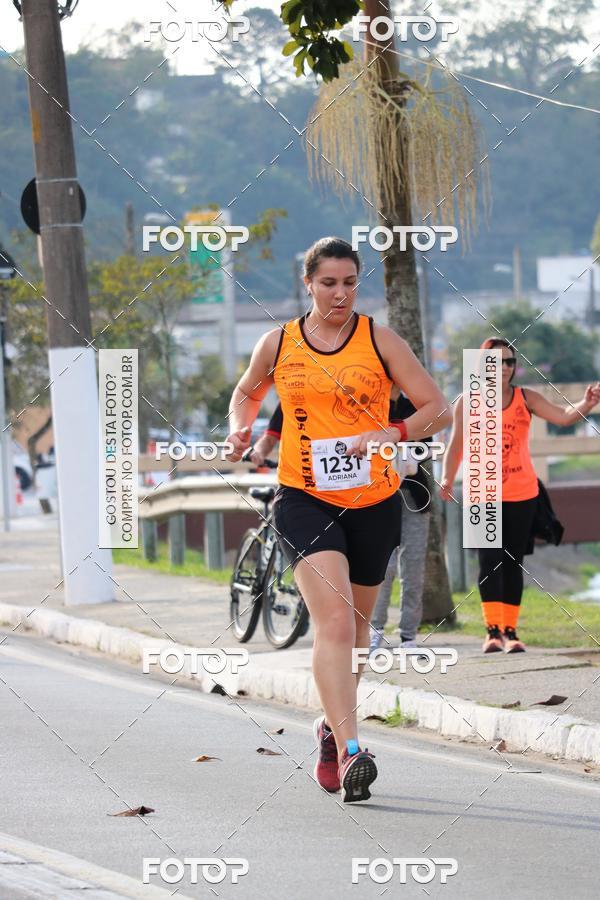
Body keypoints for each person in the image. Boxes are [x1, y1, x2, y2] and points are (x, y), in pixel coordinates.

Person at [225, 236, 451, 802]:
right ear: (308, 283)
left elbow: (437, 408)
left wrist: (390, 433)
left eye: (350, 282)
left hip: (374, 500)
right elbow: (247, 393)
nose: (340, 293)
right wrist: (240, 427)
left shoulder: (379, 339)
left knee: (357, 634)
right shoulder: (279, 343)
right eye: (329, 282)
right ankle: (353, 750)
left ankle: (331, 728)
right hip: (304, 497)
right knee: (334, 622)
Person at [441, 337, 600, 654]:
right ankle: (492, 633)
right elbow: (456, 444)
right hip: (481, 493)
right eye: (496, 362)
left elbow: (564, 417)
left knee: (512, 562)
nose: (503, 368)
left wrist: (587, 404)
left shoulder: (526, 398)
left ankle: (511, 633)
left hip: (522, 492)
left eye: (509, 362)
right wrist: (447, 476)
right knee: (489, 562)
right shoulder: (466, 402)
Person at [370, 387, 433, 653]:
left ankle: (409, 636)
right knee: (381, 568)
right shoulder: (368, 408)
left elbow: (426, 447)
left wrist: (406, 454)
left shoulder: (416, 408)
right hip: (376, 497)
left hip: (414, 495)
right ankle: (375, 631)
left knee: (413, 566)